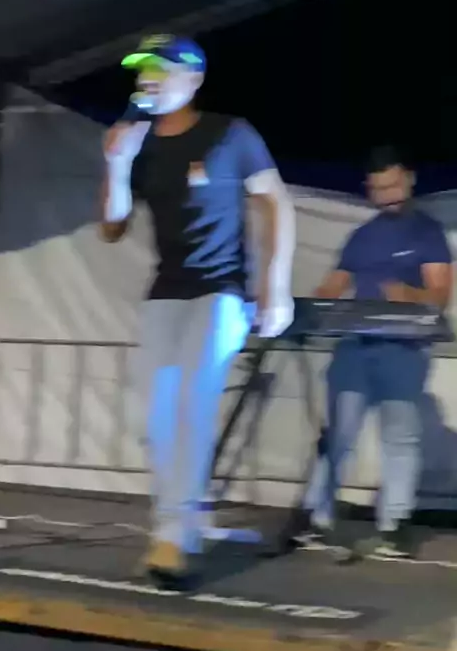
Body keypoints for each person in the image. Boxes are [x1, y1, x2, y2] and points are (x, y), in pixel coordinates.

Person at [101, 33, 295, 582]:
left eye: (159, 70)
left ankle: (172, 534)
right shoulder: (138, 141)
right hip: (167, 289)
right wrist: (116, 165)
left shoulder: (230, 134)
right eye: (142, 71)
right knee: (156, 417)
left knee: (192, 402)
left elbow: (275, 202)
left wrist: (275, 285)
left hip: (222, 289)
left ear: (193, 79)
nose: (147, 80)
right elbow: (112, 228)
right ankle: (182, 522)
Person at [301, 146, 453, 558]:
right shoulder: (362, 236)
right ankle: (317, 518)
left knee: (399, 436)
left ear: (410, 180)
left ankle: (394, 525)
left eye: (394, 185)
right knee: (339, 434)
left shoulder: (428, 233)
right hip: (354, 348)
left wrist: (408, 295)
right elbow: (332, 287)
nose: (387, 195)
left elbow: (440, 295)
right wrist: (310, 307)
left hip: (403, 350)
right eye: (379, 188)